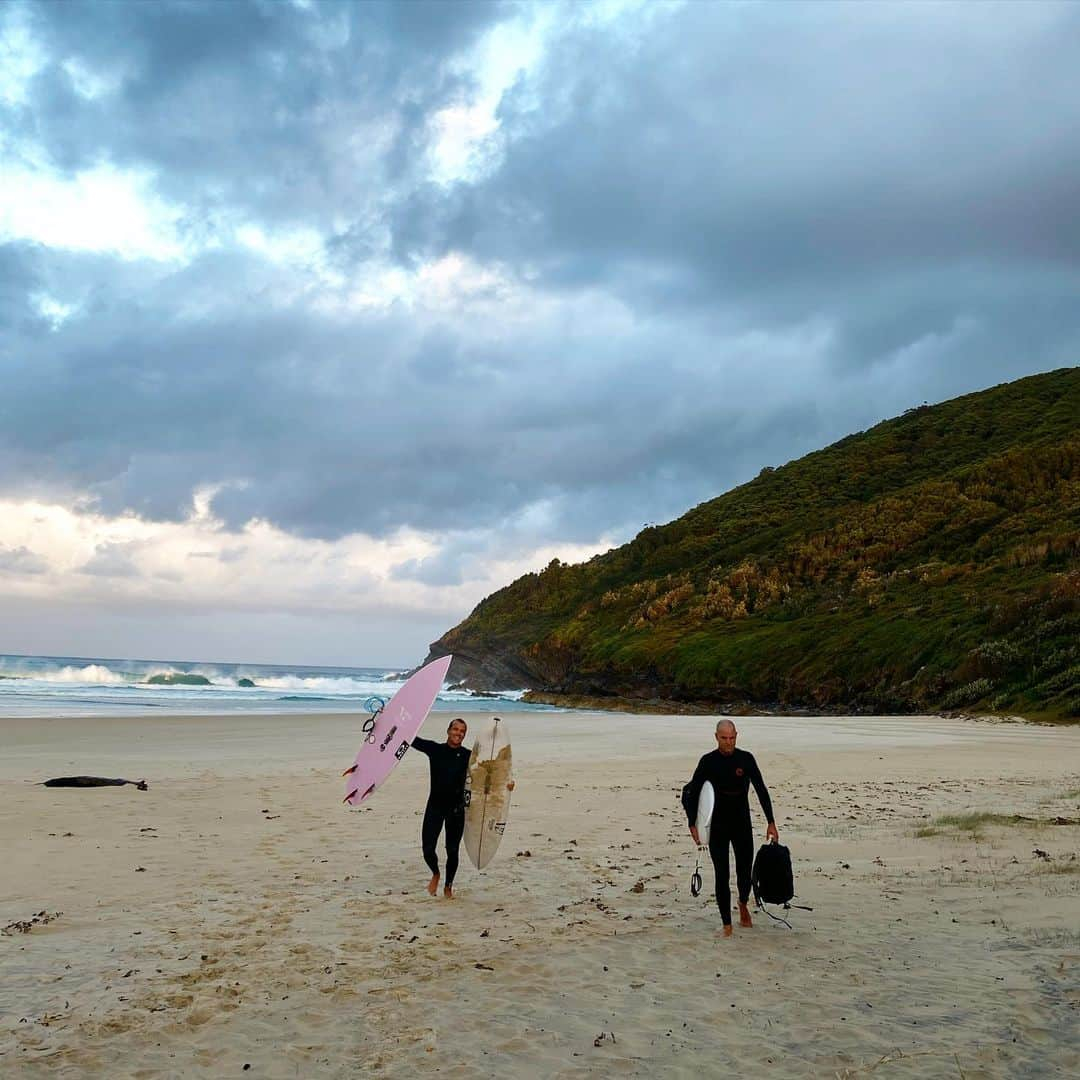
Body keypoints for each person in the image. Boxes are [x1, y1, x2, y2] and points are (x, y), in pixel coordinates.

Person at [682, 719, 778, 937]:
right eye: (724, 738)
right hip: (717, 826)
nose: (728, 742)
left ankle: (743, 902)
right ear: (716, 737)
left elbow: (761, 790)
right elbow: (692, 792)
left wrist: (770, 821)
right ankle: (726, 923)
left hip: (741, 822)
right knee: (721, 874)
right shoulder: (708, 761)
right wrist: (692, 823)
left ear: (737, 735)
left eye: (732, 737)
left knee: (745, 872)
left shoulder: (745, 759)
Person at [412, 718, 471, 899]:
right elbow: (410, 739)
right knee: (428, 849)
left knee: (452, 850)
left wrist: (508, 783)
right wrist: (387, 718)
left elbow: (490, 772)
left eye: (462, 731)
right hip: (435, 806)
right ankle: (436, 873)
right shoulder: (435, 750)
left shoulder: (469, 756)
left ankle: (448, 886)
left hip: (456, 810)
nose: (458, 733)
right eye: (455, 729)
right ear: (448, 730)